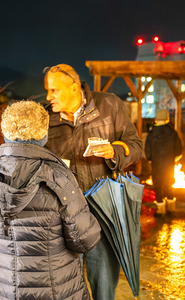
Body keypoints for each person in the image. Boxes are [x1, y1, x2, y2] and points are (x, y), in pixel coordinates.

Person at [0, 101, 101, 300]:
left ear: (5, 131)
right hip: (58, 290)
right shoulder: (59, 176)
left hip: (6, 291)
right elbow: (84, 240)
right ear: (43, 134)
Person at [43, 64, 143, 300]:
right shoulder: (45, 116)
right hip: (63, 218)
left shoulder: (109, 105)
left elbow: (136, 146)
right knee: (65, 288)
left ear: (74, 87)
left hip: (103, 214)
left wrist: (113, 151)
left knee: (104, 286)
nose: (48, 97)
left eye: (54, 90)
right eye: (47, 90)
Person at [145, 108, 183, 214]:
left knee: (158, 185)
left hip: (156, 165)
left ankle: (160, 210)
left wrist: (151, 159)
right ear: (167, 119)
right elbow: (179, 150)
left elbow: (147, 152)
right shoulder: (173, 133)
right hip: (169, 164)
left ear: (156, 119)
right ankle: (171, 209)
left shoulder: (151, 134)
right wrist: (173, 158)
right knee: (169, 184)